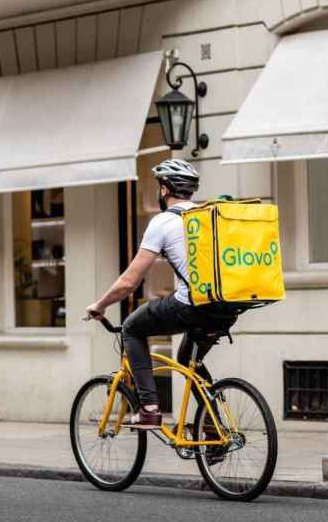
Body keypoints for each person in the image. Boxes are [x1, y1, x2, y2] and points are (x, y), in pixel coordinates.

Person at [86, 159, 233, 429]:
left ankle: (150, 409)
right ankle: (215, 429)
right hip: (226, 307)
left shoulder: (163, 222)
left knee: (131, 328)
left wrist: (101, 304)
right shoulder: (209, 217)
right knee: (189, 361)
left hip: (191, 306)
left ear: (164, 189)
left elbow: (129, 282)